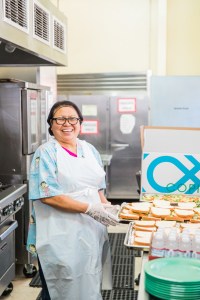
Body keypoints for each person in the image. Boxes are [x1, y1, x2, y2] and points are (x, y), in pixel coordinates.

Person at [27, 100, 119, 300]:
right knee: (62, 284)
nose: (67, 123)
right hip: (60, 233)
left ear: (80, 122)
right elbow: (48, 196)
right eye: (60, 119)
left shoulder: (90, 150)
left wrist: (106, 209)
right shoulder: (46, 153)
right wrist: (89, 209)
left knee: (89, 279)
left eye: (72, 118)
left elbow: (97, 188)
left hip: (91, 231)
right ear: (51, 125)